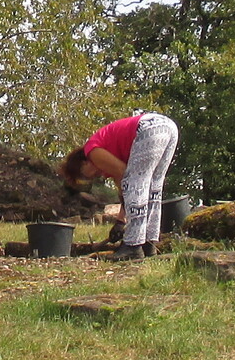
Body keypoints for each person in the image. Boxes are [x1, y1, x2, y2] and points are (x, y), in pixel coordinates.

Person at [61, 111, 180, 261]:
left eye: (83, 175)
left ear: (82, 163)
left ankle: (133, 246)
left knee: (137, 182)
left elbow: (126, 176)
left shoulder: (92, 151)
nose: (91, 178)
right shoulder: (106, 153)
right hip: (168, 127)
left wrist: (124, 223)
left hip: (148, 129)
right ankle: (148, 244)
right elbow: (124, 190)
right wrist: (120, 221)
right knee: (153, 186)